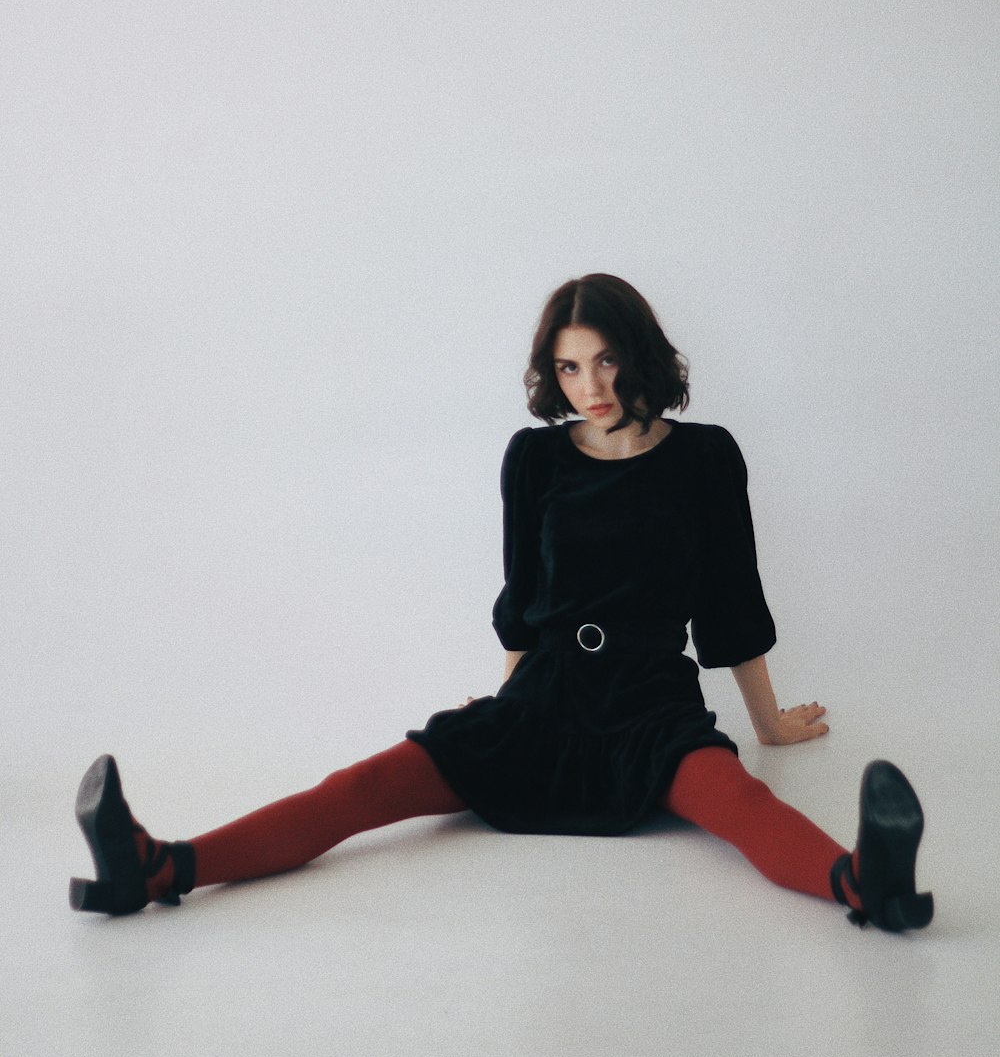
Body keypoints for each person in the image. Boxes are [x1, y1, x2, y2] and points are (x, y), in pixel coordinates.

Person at [69, 273, 933, 933]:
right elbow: (524, 600)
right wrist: (506, 693)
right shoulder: (534, 459)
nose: (587, 385)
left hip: (649, 702)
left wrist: (770, 719)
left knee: (741, 808)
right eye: (567, 367)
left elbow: (732, 602)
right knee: (365, 785)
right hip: (545, 697)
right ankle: (154, 867)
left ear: (638, 354)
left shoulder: (705, 457)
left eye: (603, 360)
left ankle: (869, 884)